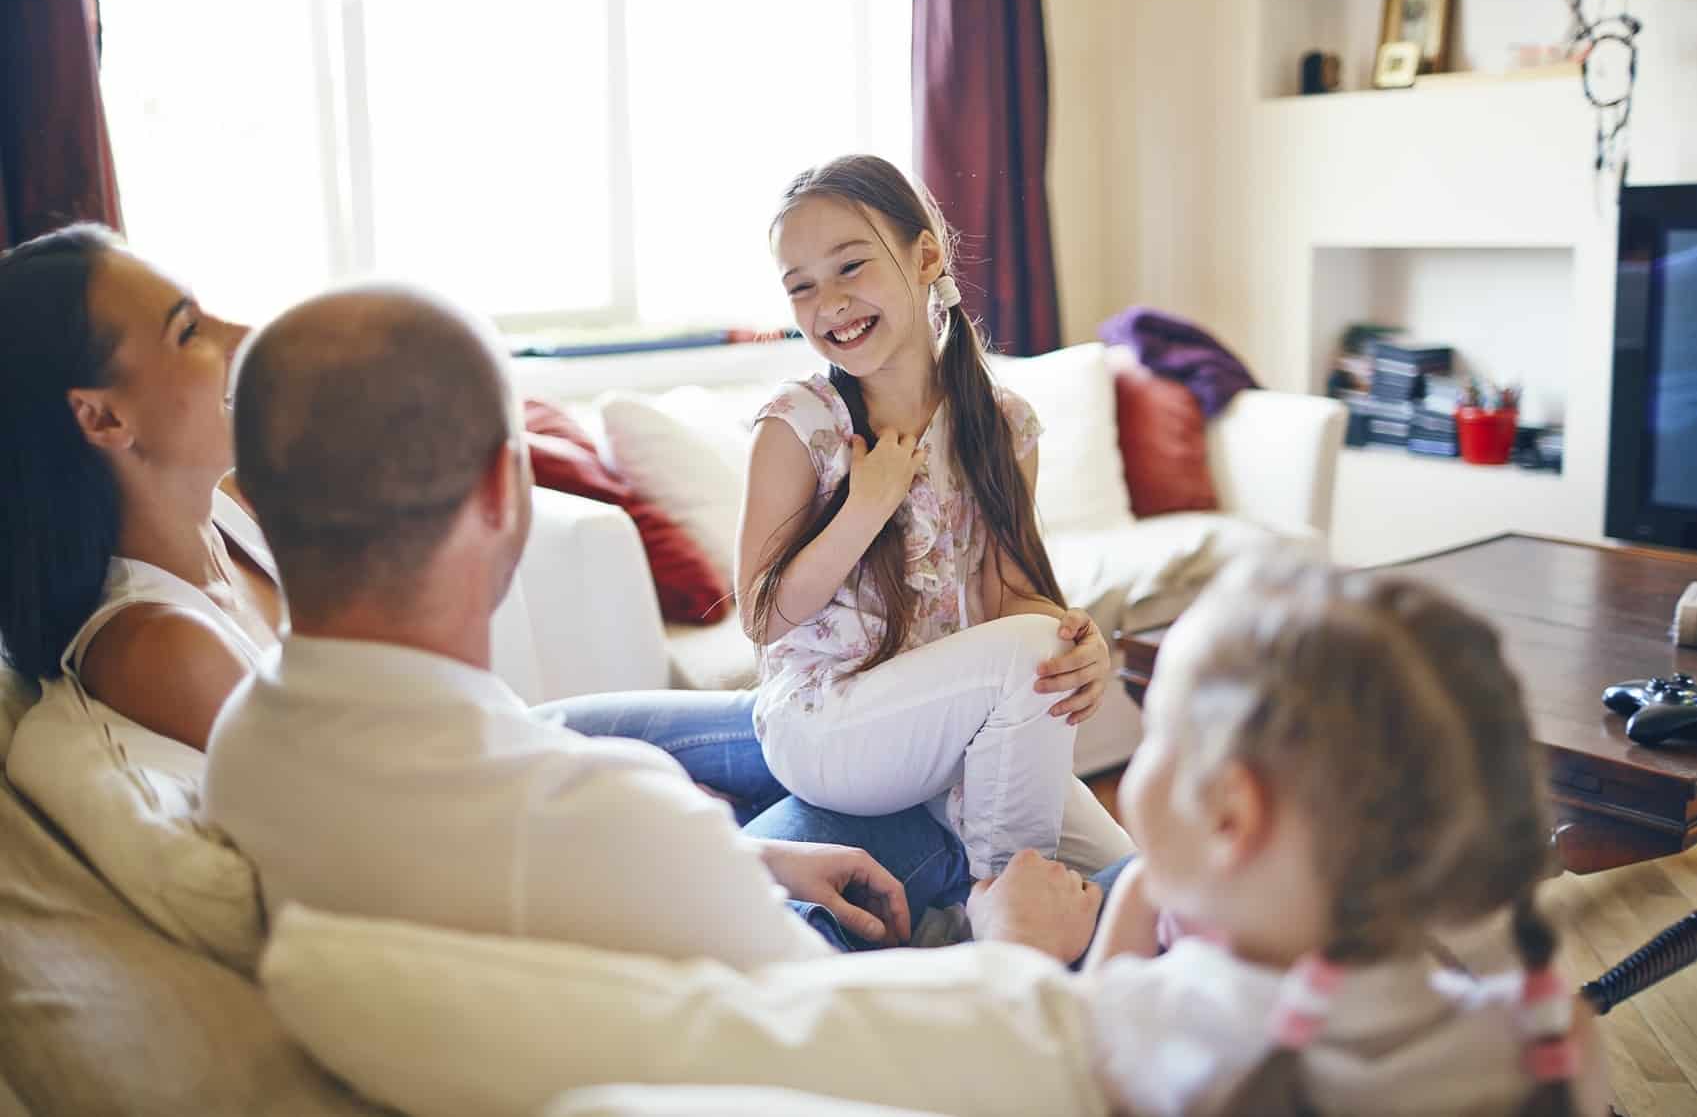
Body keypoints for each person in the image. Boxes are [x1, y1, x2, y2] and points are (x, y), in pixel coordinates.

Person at [203, 284, 1106, 967]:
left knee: (569, 722)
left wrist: (752, 861)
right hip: (825, 946)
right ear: (501, 490)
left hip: (739, 802)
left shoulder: (244, 744)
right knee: (1020, 846)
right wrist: (1009, 949)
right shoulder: (618, 820)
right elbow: (812, 1025)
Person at [1082, 553, 1610, 1115]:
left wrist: (1135, 896)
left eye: (1155, 729)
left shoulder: (1140, 1028)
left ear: (1231, 815)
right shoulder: (1551, 1045)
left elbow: (1073, 1044)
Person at [737, 154, 1130, 882]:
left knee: (1124, 870)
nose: (830, 303)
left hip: (940, 722)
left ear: (924, 256)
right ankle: (1007, 921)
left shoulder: (1002, 424)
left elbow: (1008, 599)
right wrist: (865, 505)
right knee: (1028, 654)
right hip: (826, 727)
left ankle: (1002, 904)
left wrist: (1080, 644)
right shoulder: (798, 424)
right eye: (801, 287)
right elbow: (762, 619)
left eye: (850, 267)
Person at [0, 225, 281, 754]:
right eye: (190, 330)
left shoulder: (238, 507)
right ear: (103, 416)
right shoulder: (164, 651)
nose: (243, 336)